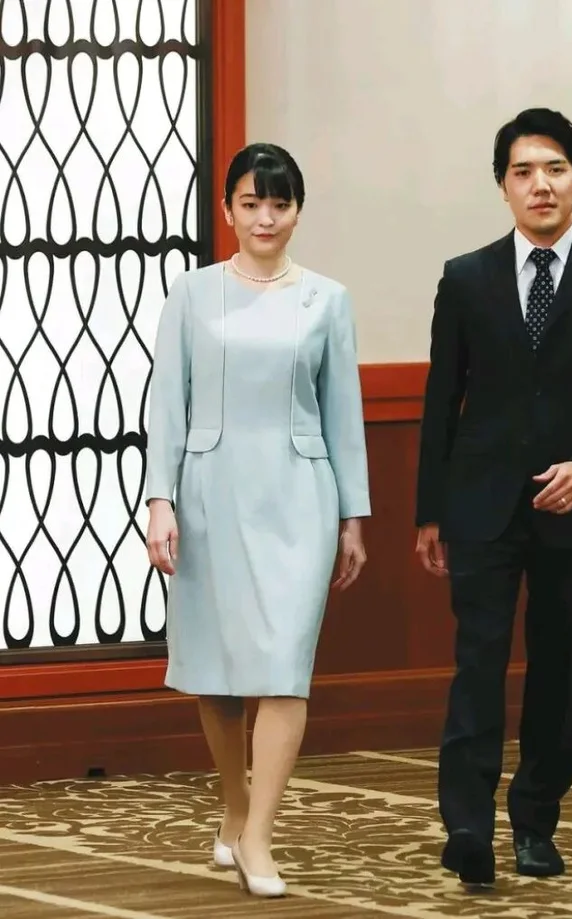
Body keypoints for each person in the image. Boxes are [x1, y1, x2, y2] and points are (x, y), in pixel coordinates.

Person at [415, 108, 572, 886]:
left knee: (558, 668)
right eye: (522, 171)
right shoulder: (466, 277)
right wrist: (430, 510)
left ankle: (535, 821)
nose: (540, 184)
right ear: (503, 186)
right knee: (478, 662)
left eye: (555, 168)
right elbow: (440, 400)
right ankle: (466, 823)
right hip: (481, 504)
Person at [145, 143, 370, 898]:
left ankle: (260, 836)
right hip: (209, 493)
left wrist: (353, 516)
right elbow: (166, 405)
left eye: (280, 203)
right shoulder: (193, 293)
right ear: (228, 210)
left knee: (284, 665)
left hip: (300, 496)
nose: (265, 217)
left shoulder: (327, 299)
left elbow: (344, 414)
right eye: (251, 202)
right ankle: (235, 807)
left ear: (298, 210)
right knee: (216, 668)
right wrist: (160, 500)